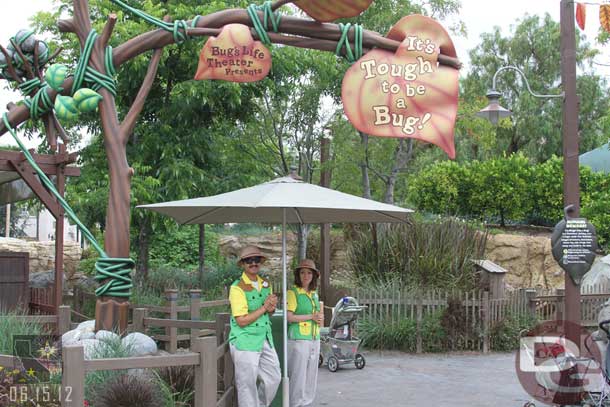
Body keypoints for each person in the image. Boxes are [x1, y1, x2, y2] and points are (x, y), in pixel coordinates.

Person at [229, 245, 281, 407]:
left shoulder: (265, 284)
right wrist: (265, 307)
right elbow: (241, 320)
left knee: (274, 377)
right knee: (247, 386)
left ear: (260, 262)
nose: (253, 263)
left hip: (265, 338)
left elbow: (267, 313)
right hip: (245, 340)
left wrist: (271, 309)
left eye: (256, 260)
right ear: (243, 264)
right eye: (248, 260)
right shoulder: (237, 288)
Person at [286, 258, 323, 407]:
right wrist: (311, 317)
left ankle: (306, 403)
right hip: (298, 339)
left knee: (310, 376)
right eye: (302, 272)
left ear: (313, 275)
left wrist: (319, 319)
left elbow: (317, 315)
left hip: (314, 338)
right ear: (298, 275)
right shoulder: (293, 292)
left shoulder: (314, 294)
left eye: (309, 273)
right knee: (298, 375)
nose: (306, 276)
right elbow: (289, 317)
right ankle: (295, 404)